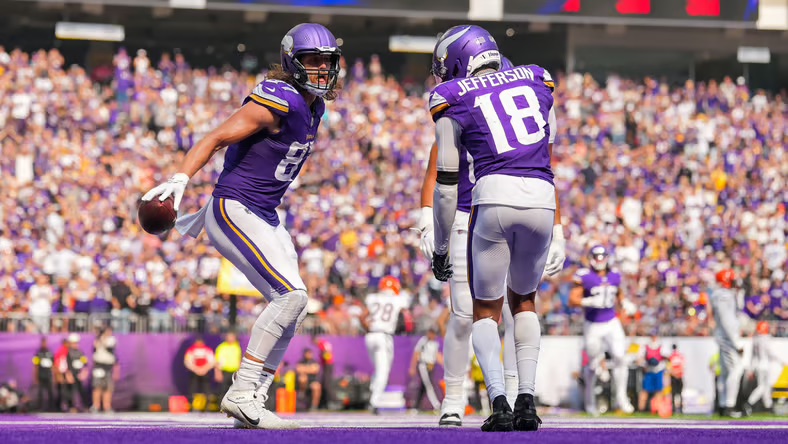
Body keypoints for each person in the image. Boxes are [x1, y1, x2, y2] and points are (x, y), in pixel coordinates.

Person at [141, 22, 342, 429]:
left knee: (297, 305)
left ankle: (253, 398)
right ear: (293, 63)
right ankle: (241, 391)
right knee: (289, 296)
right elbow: (215, 137)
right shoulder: (279, 96)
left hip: (265, 212)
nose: (321, 70)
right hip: (234, 206)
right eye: (313, 61)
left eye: (327, 62)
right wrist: (181, 178)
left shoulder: (315, 106)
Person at [428, 24, 564, 432]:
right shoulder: (538, 77)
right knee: (524, 302)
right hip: (542, 197)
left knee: (485, 310)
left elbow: (447, 183)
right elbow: (548, 147)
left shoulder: (451, 96)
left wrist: (439, 245)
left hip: (492, 196)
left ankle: (499, 404)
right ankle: (527, 400)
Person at [416, 55, 523, 428]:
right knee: (464, 313)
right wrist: (426, 219)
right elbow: (436, 166)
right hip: (464, 214)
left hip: (501, 209)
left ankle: (512, 394)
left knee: (511, 311)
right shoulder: (462, 113)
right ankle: (454, 395)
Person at [568, 245, 636, 415]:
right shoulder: (585, 276)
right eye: (596, 257)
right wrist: (588, 302)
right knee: (592, 365)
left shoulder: (614, 275)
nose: (599, 261)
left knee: (621, 357)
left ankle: (621, 397)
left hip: (612, 321)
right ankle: (590, 402)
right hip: (592, 324)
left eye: (602, 257)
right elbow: (572, 299)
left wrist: (625, 303)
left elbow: (618, 293)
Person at [361, 275, 409, 413]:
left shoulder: (373, 297)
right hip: (384, 336)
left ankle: (372, 390)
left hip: (370, 335)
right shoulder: (399, 299)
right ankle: (374, 401)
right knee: (383, 370)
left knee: (378, 368)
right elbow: (407, 317)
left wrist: (368, 327)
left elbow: (363, 316)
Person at [708, 269, 746, 417]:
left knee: (725, 372)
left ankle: (724, 405)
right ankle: (729, 405)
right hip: (728, 338)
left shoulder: (725, 294)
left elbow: (738, 309)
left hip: (725, 337)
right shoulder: (723, 295)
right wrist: (736, 342)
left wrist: (739, 293)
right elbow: (727, 321)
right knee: (735, 370)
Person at [745, 321, 787, 413]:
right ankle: (749, 403)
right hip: (765, 365)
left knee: (766, 386)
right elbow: (770, 352)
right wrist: (782, 361)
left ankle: (768, 405)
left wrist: (751, 369)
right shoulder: (766, 339)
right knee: (763, 386)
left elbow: (753, 356)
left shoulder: (755, 339)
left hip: (758, 365)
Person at [409, 327, 443, 412]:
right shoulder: (423, 341)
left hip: (431, 367)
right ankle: (437, 406)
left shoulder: (435, 343)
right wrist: (412, 367)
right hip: (423, 365)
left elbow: (437, 355)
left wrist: (444, 364)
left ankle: (416, 406)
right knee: (429, 385)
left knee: (424, 387)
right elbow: (416, 353)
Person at [91, 327, 119, 413]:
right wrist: (99, 336)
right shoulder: (98, 340)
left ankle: (107, 406)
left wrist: (101, 337)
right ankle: (96, 405)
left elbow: (108, 346)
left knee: (108, 388)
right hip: (99, 365)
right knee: (97, 386)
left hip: (108, 366)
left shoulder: (112, 339)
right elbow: (95, 347)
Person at [184, 337, 216, 410]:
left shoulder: (207, 350)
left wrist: (204, 369)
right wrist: (196, 369)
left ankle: (208, 404)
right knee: (193, 388)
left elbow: (212, 361)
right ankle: (191, 404)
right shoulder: (191, 350)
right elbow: (187, 361)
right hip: (195, 372)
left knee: (206, 388)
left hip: (205, 371)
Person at [638, 333, 667, 413]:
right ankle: (641, 409)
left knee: (659, 391)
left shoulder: (661, 346)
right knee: (645, 390)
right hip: (649, 371)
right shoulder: (646, 346)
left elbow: (666, 357)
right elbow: (640, 359)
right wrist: (645, 364)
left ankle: (657, 409)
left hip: (658, 371)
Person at [214, 332, 242, 399]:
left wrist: (240, 371)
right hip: (225, 372)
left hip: (235, 372)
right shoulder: (222, 347)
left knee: (234, 391)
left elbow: (239, 360)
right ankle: (221, 407)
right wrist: (218, 372)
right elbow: (217, 361)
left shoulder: (237, 347)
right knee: (223, 390)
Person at [31, 336, 55, 411]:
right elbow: (36, 366)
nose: (44, 344)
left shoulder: (50, 353)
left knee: (50, 392)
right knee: (40, 393)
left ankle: (51, 408)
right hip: (41, 375)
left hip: (48, 375)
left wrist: (54, 376)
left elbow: (53, 366)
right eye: (43, 342)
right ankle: (40, 408)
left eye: (45, 342)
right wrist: (35, 377)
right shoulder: (38, 353)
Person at [668, 344, 685, 414]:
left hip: (676, 377)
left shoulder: (672, 357)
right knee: (676, 393)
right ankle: (676, 409)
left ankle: (677, 409)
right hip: (677, 376)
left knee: (677, 393)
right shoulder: (679, 356)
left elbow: (682, 367)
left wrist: (675, 373)